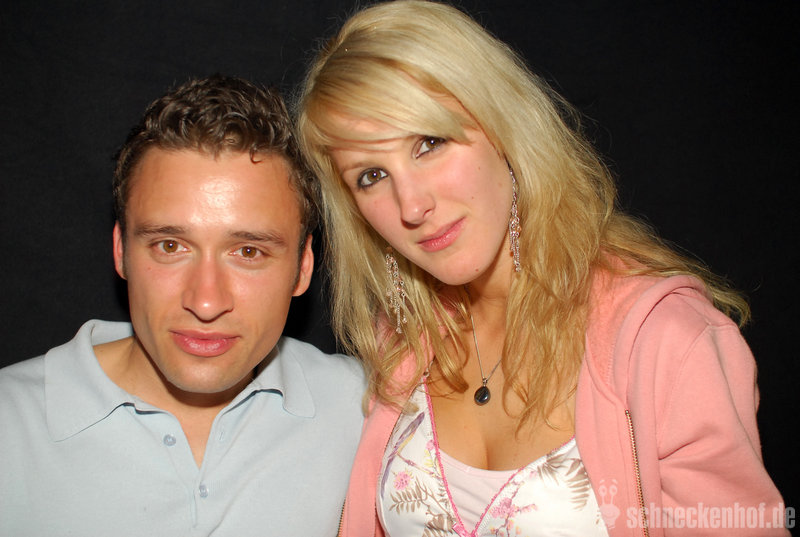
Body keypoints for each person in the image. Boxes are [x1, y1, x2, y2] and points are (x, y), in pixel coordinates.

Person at [295, 1, 789, 535]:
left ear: (503, 127)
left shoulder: (664, 340)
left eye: (429, 144)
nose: (412, 206)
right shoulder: (401, 343)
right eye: (371, 176)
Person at [0, 75, 364, 536]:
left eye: (248, 252)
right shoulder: (10, 425)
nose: (206, 302)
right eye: (170, 246)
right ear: (121, 251)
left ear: (303, 267)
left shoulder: (366, 408)